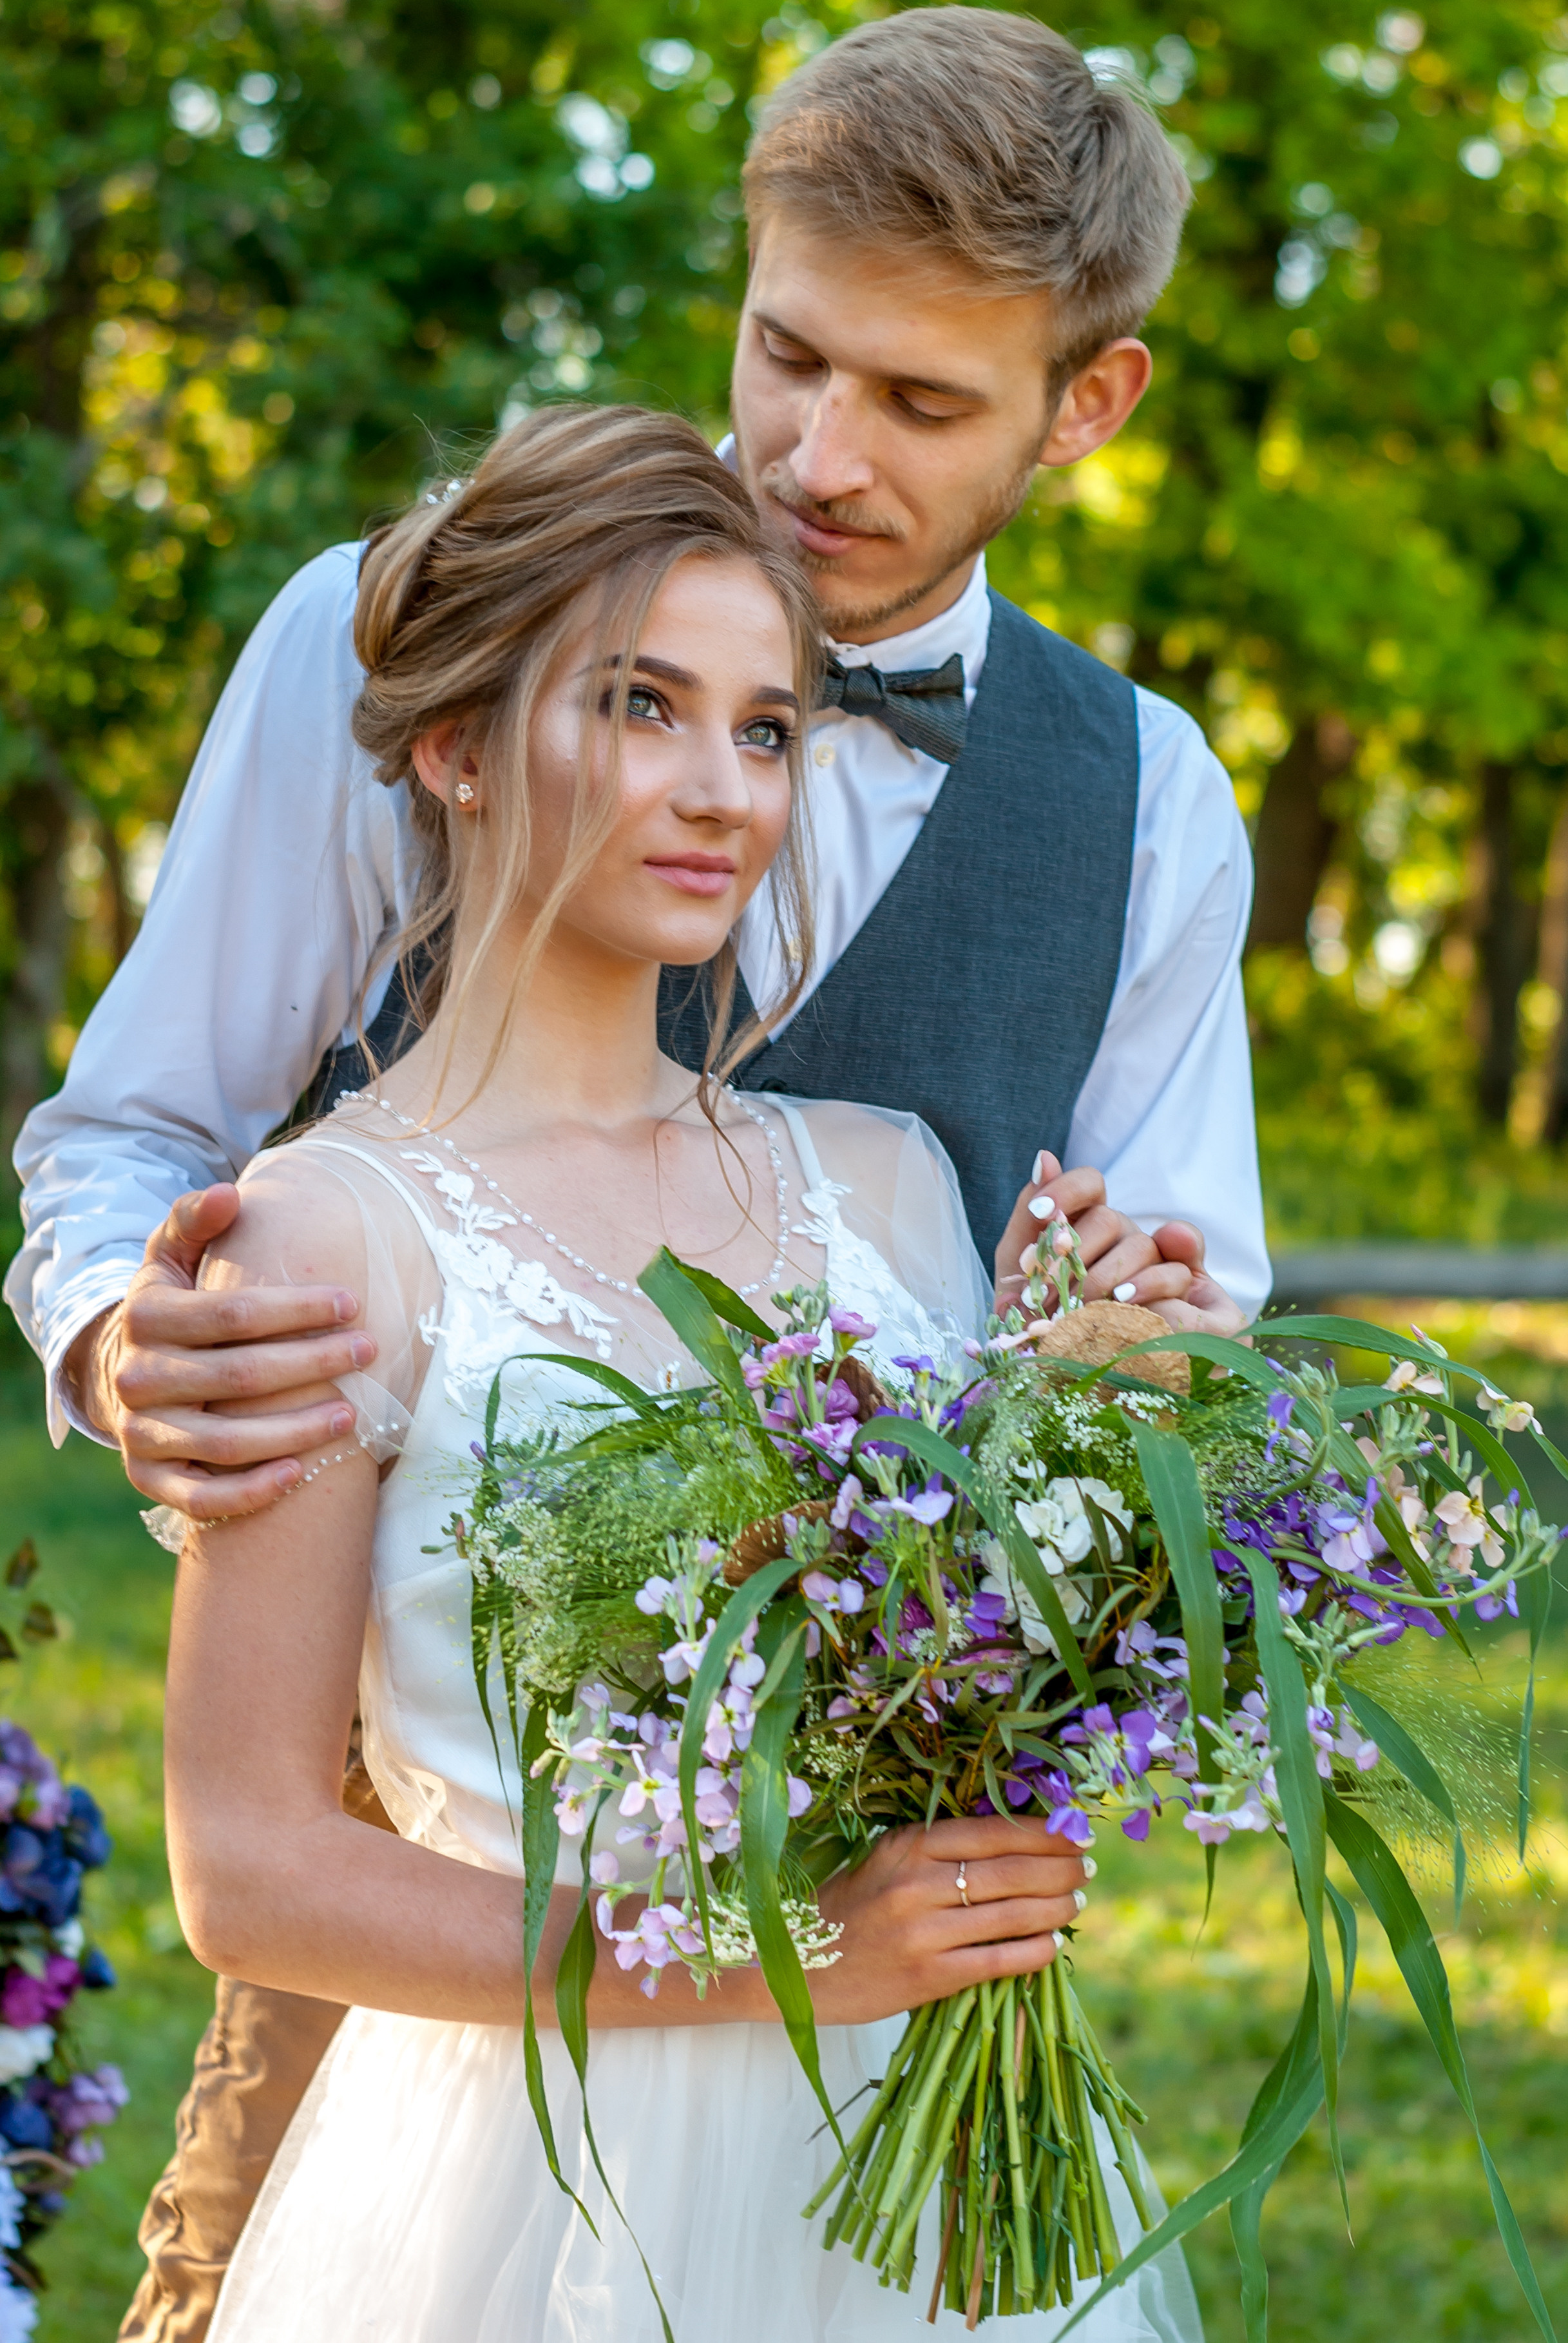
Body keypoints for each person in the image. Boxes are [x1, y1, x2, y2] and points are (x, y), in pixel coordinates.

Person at [7, 12, 1260, 2334]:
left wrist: (1130, 1372)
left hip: (894, 1999)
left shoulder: (1152, 800)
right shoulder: (410, 632)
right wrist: (122, 1331)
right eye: (783, 352)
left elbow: (1178, 1358)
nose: (809, 451)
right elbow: (126, 1135)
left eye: (919, 400)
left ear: (1084, 405)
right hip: (430, 1893)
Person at [167, 398, 1200, 2343]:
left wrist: (1106, 1425)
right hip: (525, 2188)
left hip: (922, 2187)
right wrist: (785, 1953)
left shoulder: (888, 1187)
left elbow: (979, 1693)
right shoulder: (324, 1236)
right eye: (638, 704)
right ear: (458, 745)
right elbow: (249, 1867)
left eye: (763, 726)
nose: (720, 784)